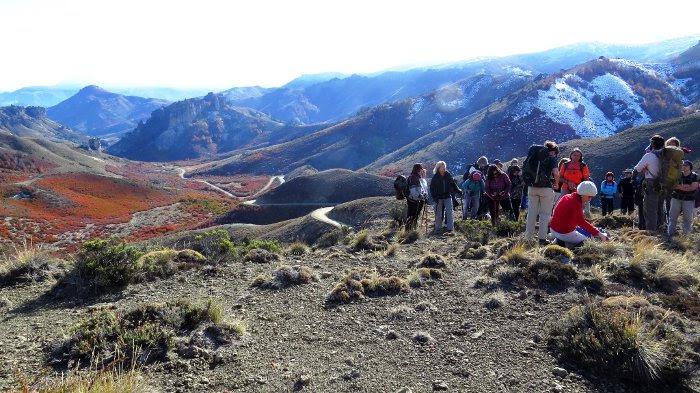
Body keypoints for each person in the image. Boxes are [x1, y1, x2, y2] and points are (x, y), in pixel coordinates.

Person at [550, 181, 609, 248]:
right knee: (588, 241)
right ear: (583, 194)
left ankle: (559, 240)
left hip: (553, 229)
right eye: (589, 197)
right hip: (563, 233)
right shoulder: (576, 204)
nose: (590, 199)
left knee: (584, 231)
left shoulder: (567, 196)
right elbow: (581, 222)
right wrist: (599, 234)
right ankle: (563, 243)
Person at [523, 140, 560, 245]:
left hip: (531, 187)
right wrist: (556, 184)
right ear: (554, 151)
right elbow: (556, 173)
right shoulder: (552, 158)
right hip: (545, 189)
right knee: (545, 214)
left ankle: (528, 238)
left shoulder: (534, 156)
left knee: (531, 212)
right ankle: (542, 239)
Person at [635, 135, 665, 231]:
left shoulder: (649, 155)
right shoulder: (666, 155)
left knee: (650, 209)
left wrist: (633, 177)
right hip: (664, 184)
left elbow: (638, 169)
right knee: (660, 207)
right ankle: (662, 228)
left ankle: (651, 232)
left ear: (652, 143)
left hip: (651, 183)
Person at [668, 160, 698, 236]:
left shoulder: (694, 176)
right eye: (683, 165)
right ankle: (670, 234)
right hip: (676, 198)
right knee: (672, 217)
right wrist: (686, 186)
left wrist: (680, 187)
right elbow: (673, 185)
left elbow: (693, 188)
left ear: (690, 167)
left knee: (687, 218)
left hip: (688, 200)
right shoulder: (677, 175)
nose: (684, 166)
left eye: (686, 165)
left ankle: (686, 236)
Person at [430, 161, 461, 234]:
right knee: (439, 213)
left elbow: (453, 184)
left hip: (447, 196)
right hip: (439, 197)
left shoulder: (448, 175)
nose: (444, 168)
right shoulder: (435, 177)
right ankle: (438, 229)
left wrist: (458, 190)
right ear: (438, 168)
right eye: (442, 166)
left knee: (449, 212)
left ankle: (450, 229)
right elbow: (432, 188)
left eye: (444, 166)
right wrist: (434, 197)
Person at [559, 148, 591, 216]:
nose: (576, 157)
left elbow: (586, 179)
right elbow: (560, 177)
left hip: (578, 189)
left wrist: (581, 187)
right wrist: (568, 182)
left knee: (578, 207)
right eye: (574, 155)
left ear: (580, 157)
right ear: (571, 155)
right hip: (565, 188)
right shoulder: (565, 164)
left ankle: (577, 222)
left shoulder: (583, 166)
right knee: (563, 205)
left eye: (578, 156)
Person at [405, 163, 429, 231]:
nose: (423, 170)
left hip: (417, 200)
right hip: (414, 200)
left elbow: (422, 189)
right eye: (421, 169)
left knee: (415, 215)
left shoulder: (418, 177)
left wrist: (424, 196)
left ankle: (412, 230)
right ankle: (409, 231)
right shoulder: (413, 177)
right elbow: (414, 192)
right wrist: (421, 196)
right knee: (412, 215)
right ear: (419, 169)